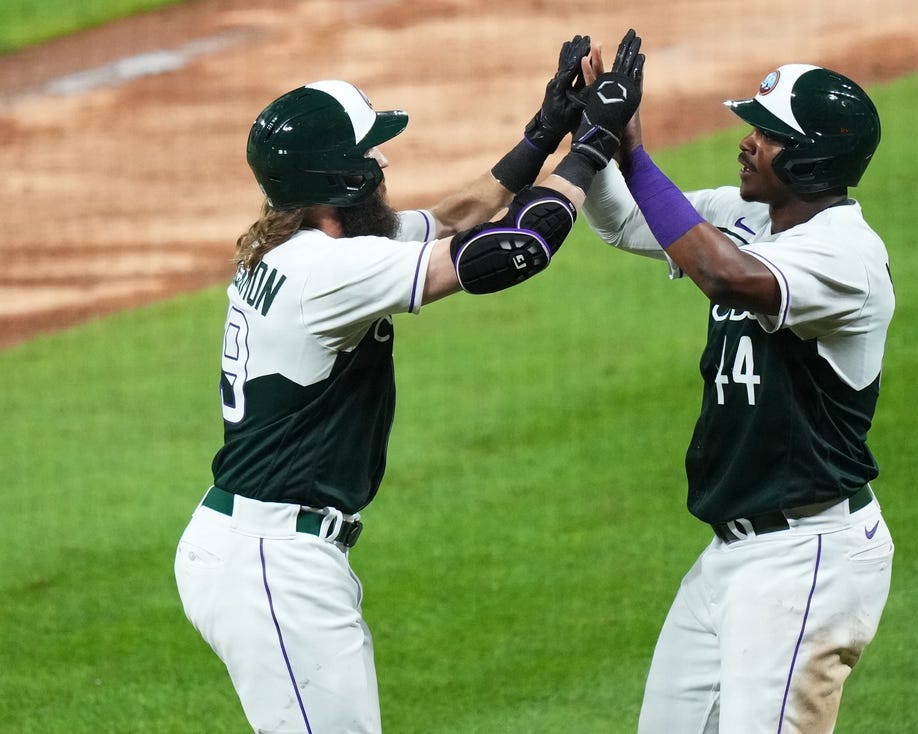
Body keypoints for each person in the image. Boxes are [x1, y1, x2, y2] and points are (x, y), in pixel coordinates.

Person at [173, 32, 644, 734]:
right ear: (341, 175)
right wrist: (593, 146)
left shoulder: (301, 246)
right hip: (273, 561)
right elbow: (511, 249)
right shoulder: (327, 273)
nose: (383, 159)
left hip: (253, 543)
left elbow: (456, 217)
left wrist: (545, 130)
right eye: (369, 151)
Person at [580, 50, 895, 733]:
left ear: (812, 161)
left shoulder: (847, 258)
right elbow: (623, 221)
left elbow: (724, 276)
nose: (748, 141)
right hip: (733, 553)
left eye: (770, 133)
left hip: (806, 557)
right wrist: (597, 138)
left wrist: (636, 153)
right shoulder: (744, 217)